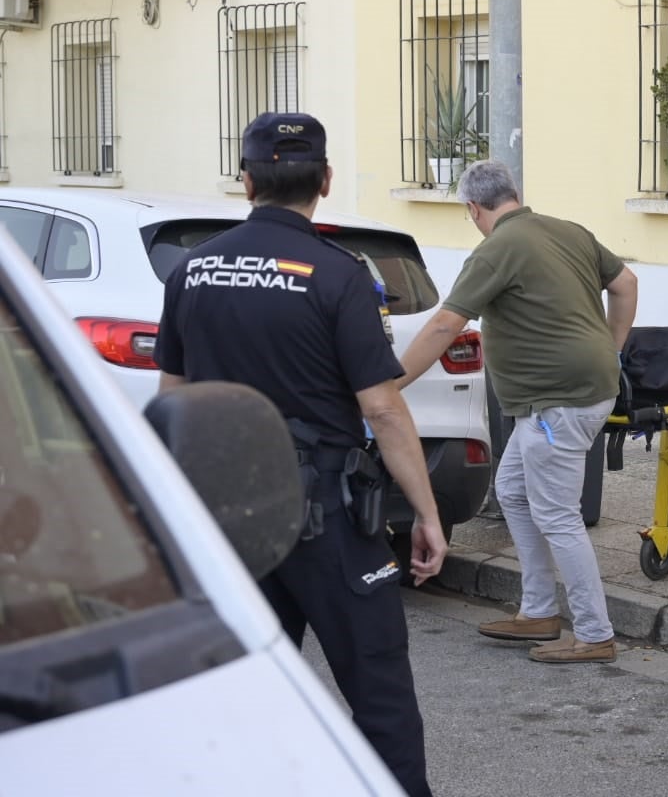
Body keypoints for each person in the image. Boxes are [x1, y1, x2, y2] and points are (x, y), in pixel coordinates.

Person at [154, 112, 443, 797]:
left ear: (246, 181)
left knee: (245, 691)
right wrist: (427, 513)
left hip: (226, 516)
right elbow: (381, 405)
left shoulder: (192, 270)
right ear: (325, 182)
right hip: (329, 520)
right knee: (379, 696)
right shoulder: (338, 275)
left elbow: (173, 399)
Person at [399, 160, 636, 664]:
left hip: (557, 401)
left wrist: (391, 383)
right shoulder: (568, 231)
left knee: (557, 515)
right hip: (579, 391)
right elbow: (626, 284)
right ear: (514, 193)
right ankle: (538, 611)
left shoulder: (494, 250)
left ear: (473, 208)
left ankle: (594, 634)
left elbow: (445, 326)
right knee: (511, 489)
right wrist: (610, 350)